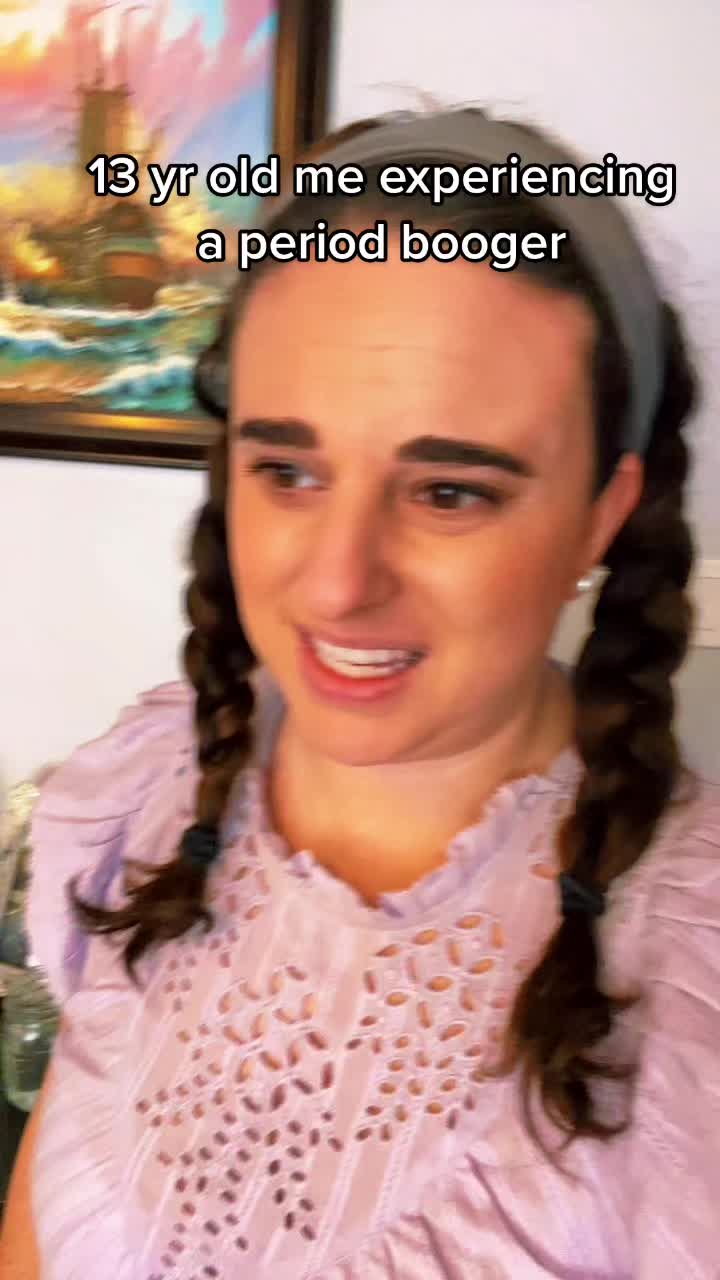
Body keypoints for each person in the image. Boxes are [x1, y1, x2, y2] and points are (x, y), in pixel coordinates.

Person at [2, 107, 719, 1279]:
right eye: (287, 470)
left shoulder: (692, 974)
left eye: (449, 491)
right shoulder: (149, 796)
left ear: (604, 512)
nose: (338, 582)